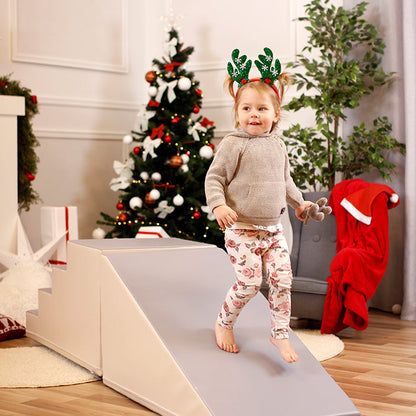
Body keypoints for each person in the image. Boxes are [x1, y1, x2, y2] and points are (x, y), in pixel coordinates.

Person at [205, 48, 312, 363]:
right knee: (250, 283)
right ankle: (224, 323)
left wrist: (300, 204)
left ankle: (280, 333)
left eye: (262, 108)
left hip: (273, 230)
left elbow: (286, 183)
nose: (254, 114)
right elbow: (214, 180)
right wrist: (219, 207)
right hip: (241, 229)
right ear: (237, 112)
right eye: (247, 108)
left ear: (275, 114)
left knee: (282, 281)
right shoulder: (233, 144)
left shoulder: (278, 145)